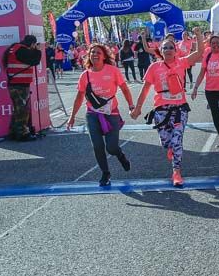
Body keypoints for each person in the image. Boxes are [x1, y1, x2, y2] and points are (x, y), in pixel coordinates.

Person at [131, 29, 203, 186]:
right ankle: (170, 147)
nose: (168, 50)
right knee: (166, 141)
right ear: (160, 51)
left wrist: (198, 36)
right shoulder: (154, 67)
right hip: (161, 109)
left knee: (177, 139)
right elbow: (145, 89)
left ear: (175, 50)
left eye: (171, 47)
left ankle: (176, 171)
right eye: (165, 48)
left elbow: (198, 54)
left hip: (180, 108)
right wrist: (137, 109)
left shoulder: (182, 62)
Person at [67, 43, 135, 186]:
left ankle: (120, 155)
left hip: (111, 113)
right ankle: (105, 173)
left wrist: (131, 105)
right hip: (92, 113)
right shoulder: (85, 75)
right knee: (97, 146)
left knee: (111, 147)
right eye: (92, 52)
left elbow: (124, 88)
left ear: (104, 56)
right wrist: (72, 116)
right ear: (88, 56)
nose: (95, 55)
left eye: (98, 52)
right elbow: (79, 97)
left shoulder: (113, 70)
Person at [191, 34, 219, 147]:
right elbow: (202, 73)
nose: (215, 45)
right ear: (210, 45)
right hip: (210, 91)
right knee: (215, 115)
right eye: (213, 43)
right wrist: (195, 87)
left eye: (217, 42)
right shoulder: (207, 54)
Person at [4, 34, 42, 141]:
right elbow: (35, 61)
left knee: (18, 109)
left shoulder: (14, 48)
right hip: (20, 85)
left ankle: (13, 132)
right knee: (22, 110)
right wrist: (38, 51)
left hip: (14, 84)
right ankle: (22, 133)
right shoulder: (22, 50)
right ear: (32, 44)